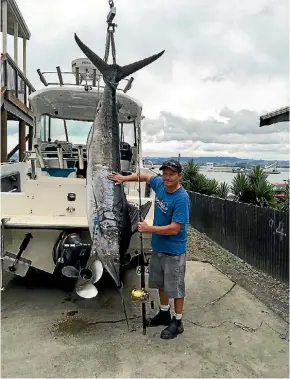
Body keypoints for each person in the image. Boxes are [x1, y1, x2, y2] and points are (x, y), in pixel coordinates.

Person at [108, 159, 191, 339]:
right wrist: (124, 178)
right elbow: (145, 177)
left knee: (175, 288)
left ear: (179, 176)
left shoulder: (181, 198)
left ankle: (177, 321)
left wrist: (148, 229)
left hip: (174, 251)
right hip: (158, 247)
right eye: (165, 173)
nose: (167, 178)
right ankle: (164, 312)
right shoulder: (160, 184)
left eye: (172, 174)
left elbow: (175, 228)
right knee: (159, 284)